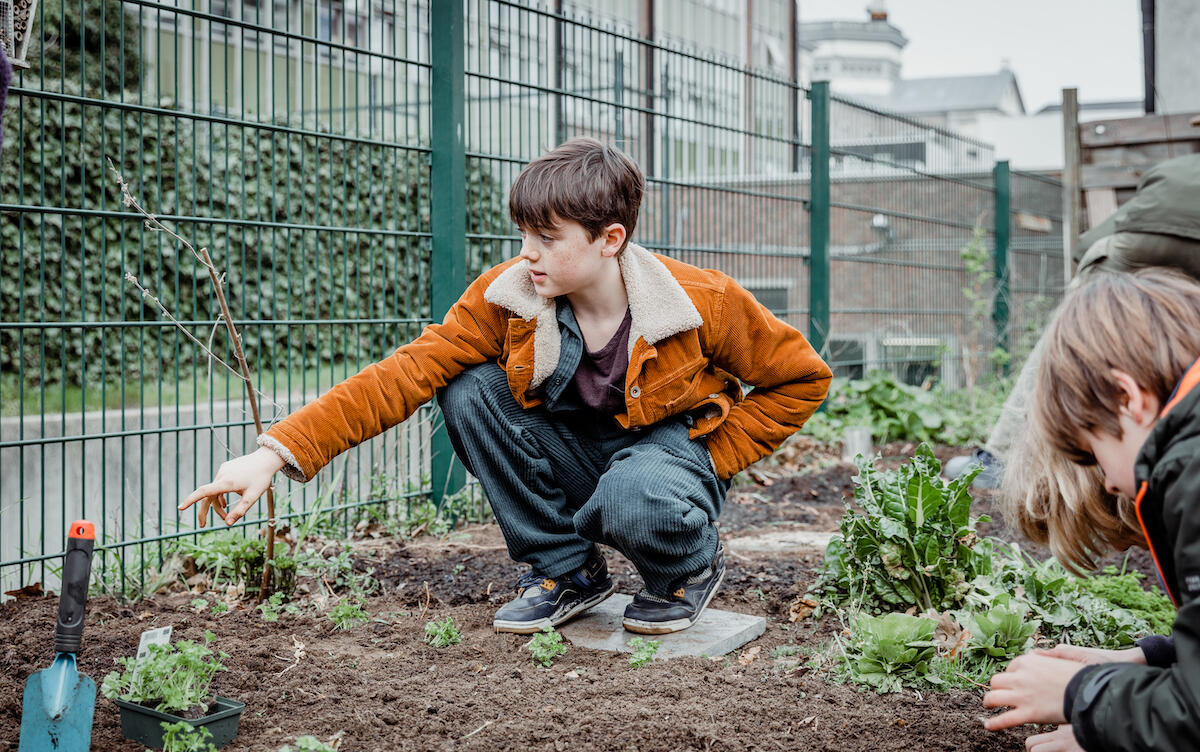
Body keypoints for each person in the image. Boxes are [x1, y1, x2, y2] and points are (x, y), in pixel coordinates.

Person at [178, 137, 832, 635]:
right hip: (585, 451)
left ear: (611, 239)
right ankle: (567, 570)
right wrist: (273, 452)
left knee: (638, 496)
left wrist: (716, 455)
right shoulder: (513, 296)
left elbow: (802, 378)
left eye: (547, 238)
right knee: (468, 388)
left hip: (667, 459)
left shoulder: (701, 302)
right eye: (523, 233)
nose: (527, 253)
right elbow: (408, 371)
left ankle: (686, 565)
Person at [982, 268, 1200, 752]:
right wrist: (1149, 664)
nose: (1106, 481)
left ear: (1127, 398)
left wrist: (1080, 695)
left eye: (1095, 452)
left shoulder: (1192, 473)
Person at [945, 154, 1200, 488]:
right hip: (1162, 220)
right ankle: (1006, 460)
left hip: (1151, 221)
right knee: (1079, 330)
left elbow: (1090, 249)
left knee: (1075, 328)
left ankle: (1002, 457)